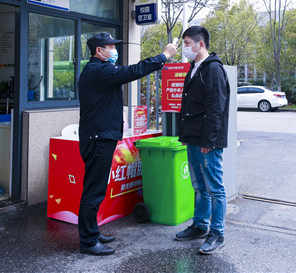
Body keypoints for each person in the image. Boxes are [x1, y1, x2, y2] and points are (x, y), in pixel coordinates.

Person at [77, 32, 177, 256]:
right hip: (98, 138)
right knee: (93, 191)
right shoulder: (98, 71)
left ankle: (91, 231)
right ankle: (88, 241)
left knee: (96, 189)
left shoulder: (99, 71)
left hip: (100, 136)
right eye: (111, 47)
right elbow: (133, 71)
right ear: (99, 50)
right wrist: (164, 55)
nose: (114, 51)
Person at [174, 26, 230, 255]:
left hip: (208, 142)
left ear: (200, 44)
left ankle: (217, 233)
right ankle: (200, 225)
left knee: (214, 188)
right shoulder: (194, 68)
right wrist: (187, 135)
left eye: (187, 43)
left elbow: (216, 107)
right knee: (199, 186)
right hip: (194, 138)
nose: (185, 47)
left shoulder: (213, 69)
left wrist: (209, 140)